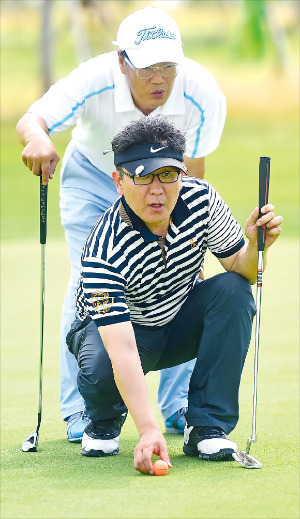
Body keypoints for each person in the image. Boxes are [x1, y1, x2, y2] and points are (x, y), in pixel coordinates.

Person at [16, 6, 227, 442]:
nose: (159, 79)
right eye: (147, 67)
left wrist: (191, 238)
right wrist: (38, 138)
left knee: (183, 279)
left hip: (167, 186)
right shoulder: (93, 78)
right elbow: (32, 120)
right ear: (122, 61)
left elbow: (194, 170)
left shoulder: (203, 91)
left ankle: (178, 407)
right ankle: (80, 412)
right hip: (93, 179)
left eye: (168, 66)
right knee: (87, 284)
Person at [66, 115, 282, 473]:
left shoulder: (201, 200)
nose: (156, 189)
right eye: (142, 175)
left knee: (234, 292)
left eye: (167, 174)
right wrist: (149, 429)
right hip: (118, 335)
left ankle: (206, 425)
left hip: (176, 322)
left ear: (182, 173)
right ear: (119, 181)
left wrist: (257, 247)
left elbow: (240, 270)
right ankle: (103, 419)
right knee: (102, 364)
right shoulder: (103, 248)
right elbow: (121, 349)